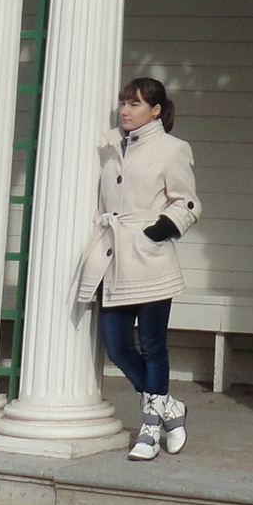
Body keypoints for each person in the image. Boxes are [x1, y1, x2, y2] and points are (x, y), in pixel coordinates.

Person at [75, 77, 200, 460]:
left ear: (155, 110)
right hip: (113, 258)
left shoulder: (173, 149)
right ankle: (169, 406)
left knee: (153, 344)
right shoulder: (111, 145)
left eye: (135, 104)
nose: (125, 111)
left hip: (149, 259)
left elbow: (187, 202)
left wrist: (155, 232)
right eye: (123, 103)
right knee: (116, 345)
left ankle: (149, 428)